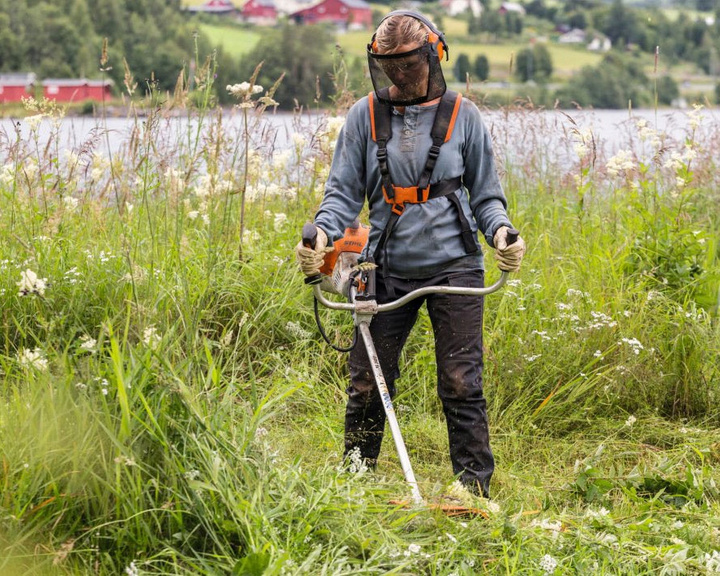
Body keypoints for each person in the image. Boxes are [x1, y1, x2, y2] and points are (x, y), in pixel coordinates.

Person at [295, 10, 526, 498]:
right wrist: (319, 236)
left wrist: (503, 233)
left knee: (462, 380)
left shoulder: (464, 116)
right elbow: (341, 194)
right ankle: (355, 484)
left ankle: (473, 491)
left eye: (408, 67)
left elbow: (486, 196)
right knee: (365, 381)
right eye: (390, 68)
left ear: (432, 56)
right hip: (386, 266)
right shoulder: (365, 115)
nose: (400, 78)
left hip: (456, 265)